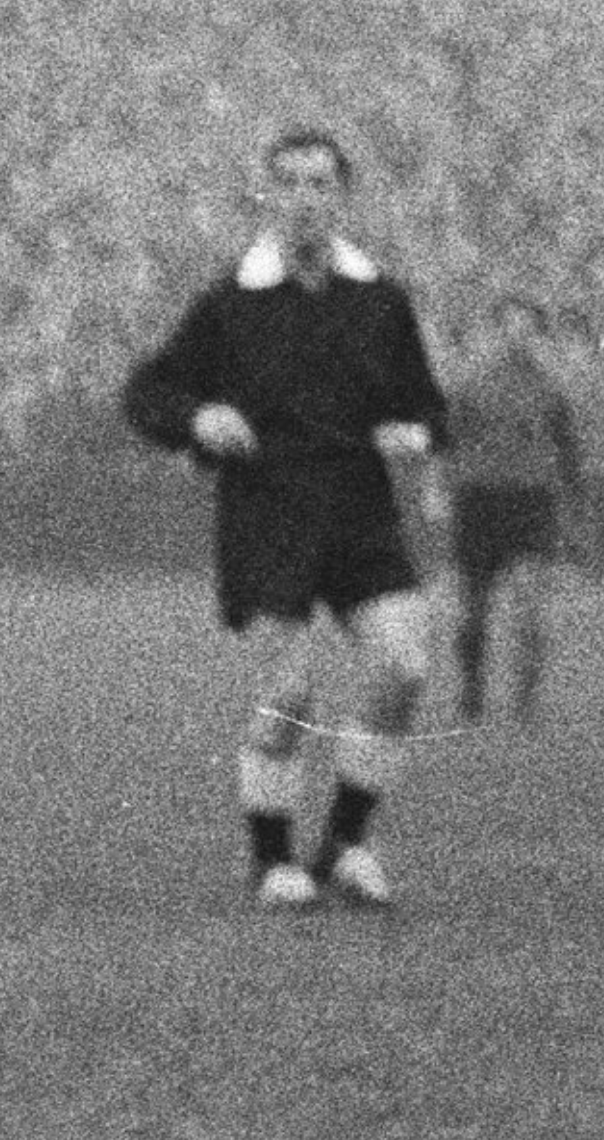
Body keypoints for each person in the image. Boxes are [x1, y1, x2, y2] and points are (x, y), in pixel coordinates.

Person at [116, 130, 449, 912]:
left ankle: (343, 843)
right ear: (269, 196)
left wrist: (418, 433)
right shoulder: (231, 303)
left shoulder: (380, 301)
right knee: (289, 693)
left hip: (361, 515)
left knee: (404, 667)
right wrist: (201, 416)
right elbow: (147, 393)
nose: (306, 197)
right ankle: (272, 860)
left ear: (343, 196)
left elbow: (428, 406)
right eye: (290, 183)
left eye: (321, 183)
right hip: (269, 516)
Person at [435, 304, 586, 728]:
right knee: (472, 612)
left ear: (537, 336)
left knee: (531, 608)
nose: (517, 336)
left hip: (531, 503)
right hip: (479, 501)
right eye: (510, 327)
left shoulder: (551, 389)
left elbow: (569, 450)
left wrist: (573, 507)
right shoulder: (472, 385)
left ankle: (524, 704)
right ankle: (471, 693)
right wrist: (440, 486)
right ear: (497, 331)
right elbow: (447, 438)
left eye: (527, 329)